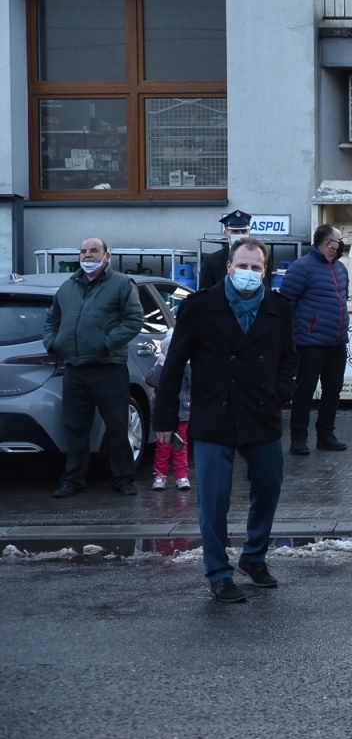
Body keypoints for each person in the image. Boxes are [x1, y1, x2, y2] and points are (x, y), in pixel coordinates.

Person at [153, 236, 296, 603]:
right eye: (243, 266)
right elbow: (173, 366)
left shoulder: (279, 308)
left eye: (256, 267)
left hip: (260, 412)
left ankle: (254, 556)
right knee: (214, 499)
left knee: (268, 487)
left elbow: (289, 358)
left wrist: (281, 391)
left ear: (266, 272)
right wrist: (164, 420)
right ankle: (218, 572)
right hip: (214, 413)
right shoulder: (200, 307)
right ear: (229, 267)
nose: (249, 273)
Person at [45, 237, 144, 498]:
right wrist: (53, 342)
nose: (88, 256)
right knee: (75, 428)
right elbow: (52, 318)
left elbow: (134, 320)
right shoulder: (68, 287)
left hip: (108, 368)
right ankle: (73, 480)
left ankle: (123, 479)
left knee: (117, 426)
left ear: (107, 255)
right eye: (83, 251)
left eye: (94, 251)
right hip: (75, 369)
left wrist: (106, 343)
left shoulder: (122, 284)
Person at [279, 223, 350, 456]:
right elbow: (286, 304)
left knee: (333, 390)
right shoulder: (301, 268)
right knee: (304, 391)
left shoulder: (340, 269)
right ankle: (298, 439)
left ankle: (326, 435)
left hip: (337, 342)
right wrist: (289, 341)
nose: (343, 244)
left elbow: (342, 299)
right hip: (309, 343)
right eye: (340, 240)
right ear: (329, 243)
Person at [144, 347, 191, 491]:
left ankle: (182, 475)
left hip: (182, 412)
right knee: (162, 447)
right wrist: (161, 364)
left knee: (180, 446)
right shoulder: (160, 364)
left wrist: (187, 365)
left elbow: (192, 382)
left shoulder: (187, 365)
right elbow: (151, 380)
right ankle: (160, 475)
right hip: (163, 413)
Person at [198, 209, 252, 290]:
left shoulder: (261, 258)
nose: (240, 235)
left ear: (249, 233)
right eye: (235, 231)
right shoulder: (211, 261)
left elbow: (267, 291)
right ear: (226, 234)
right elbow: (203, 295)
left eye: (244, 231)